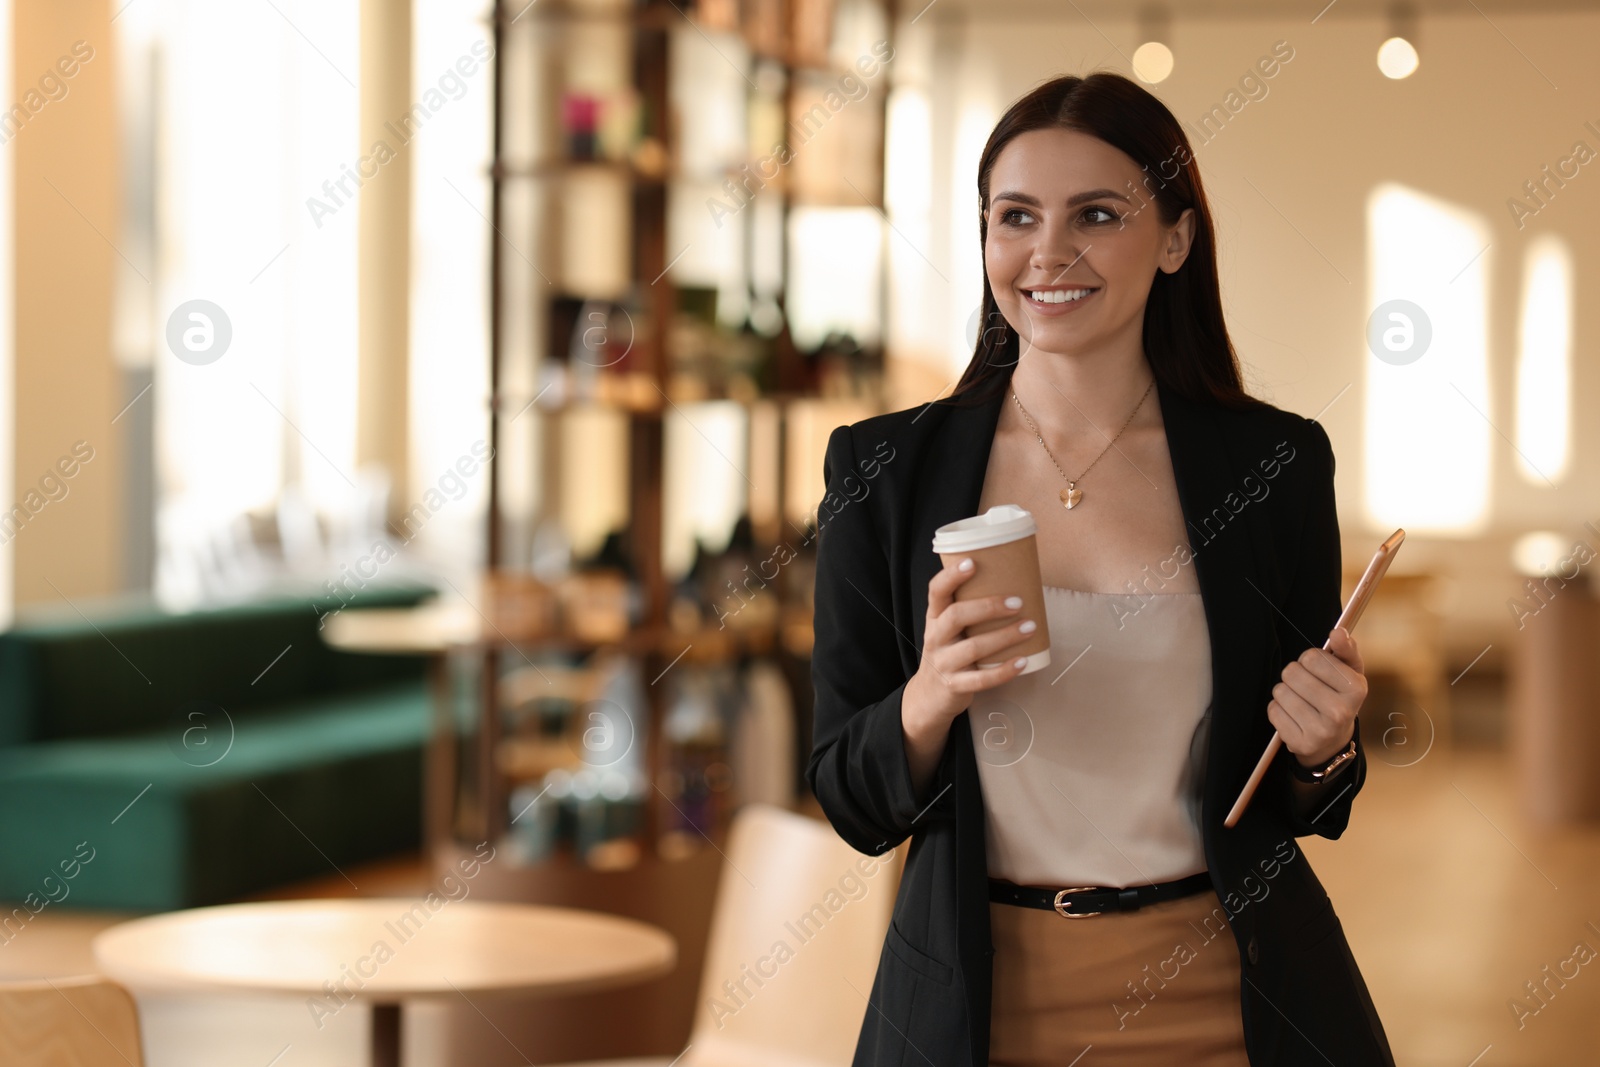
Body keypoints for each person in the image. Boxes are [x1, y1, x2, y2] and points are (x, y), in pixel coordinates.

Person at [807, 71, 1396, 1066]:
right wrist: (928, 699)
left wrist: (1323, 744)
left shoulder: (1275, 464)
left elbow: (1309, 796)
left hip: (1229, 996)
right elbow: (846, 795)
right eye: (1015, 216)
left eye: (1096, 214)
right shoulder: (882, 471)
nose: (1048, 251)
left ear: (1174, 239)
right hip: (976, 1003)